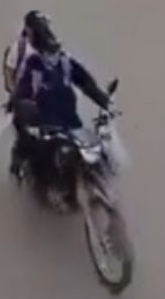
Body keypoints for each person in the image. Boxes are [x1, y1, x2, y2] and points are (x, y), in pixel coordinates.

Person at [6, 11, 112, 188]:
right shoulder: (32, 64)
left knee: (98, 153)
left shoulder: (65, 62)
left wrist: (105, 102)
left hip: (70, 123)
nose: (53, 57)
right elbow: (21, 92)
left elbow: (85, 82)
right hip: (47, 127)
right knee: (37, 151)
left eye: (55, 52)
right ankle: (43, 184)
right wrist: (19, 104)